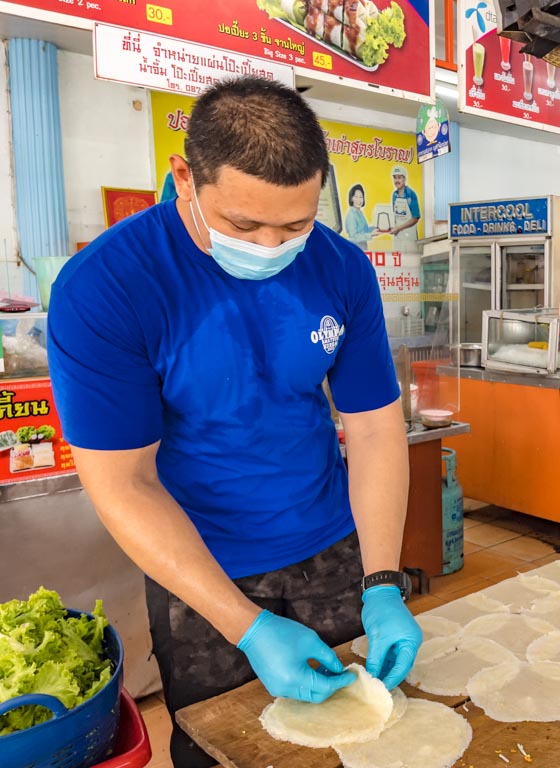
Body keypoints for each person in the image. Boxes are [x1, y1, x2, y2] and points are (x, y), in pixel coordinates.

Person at [46, 77, 422, 768]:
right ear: (184, 176)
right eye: (246, 226)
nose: (273, 245)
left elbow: (372, 429)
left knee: (360, 743)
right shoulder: (107, 286)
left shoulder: (341, 269)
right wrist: (247, 628)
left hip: (334, 548)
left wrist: (382, 583)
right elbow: (122, 483)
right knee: (227, 750)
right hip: (201, 567)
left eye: (296, 225)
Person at [383, 165, 420, 243]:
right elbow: (395, 216)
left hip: (409, 235)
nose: (397, 180)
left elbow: (415, 218)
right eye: (395, 178)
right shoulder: (394, 195)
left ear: (404, 179)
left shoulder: (410, 194)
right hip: (398, 235)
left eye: (399, 177)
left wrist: (399, 228)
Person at [344, 182, 376, 247]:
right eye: (356, 196)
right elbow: (354, 236)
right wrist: (371, 234)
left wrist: (376, 228)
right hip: (355, 248)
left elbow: (364, 230)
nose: (359, 200)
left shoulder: (360, 213)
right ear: (351, 198)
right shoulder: (351, 215)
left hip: (363, 246)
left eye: (361, 197)